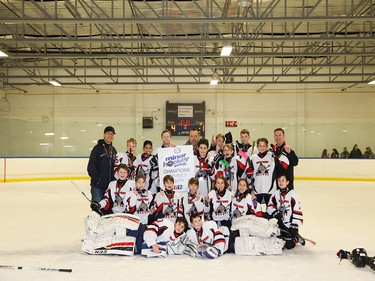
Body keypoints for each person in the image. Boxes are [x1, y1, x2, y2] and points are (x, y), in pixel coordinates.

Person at [266, 174, 303, 250]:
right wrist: (275, 213)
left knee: (289, 245)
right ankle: (286, 235)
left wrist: (294, 226)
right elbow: (269, 207)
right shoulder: (275, 194)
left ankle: (296, 237)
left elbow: (297, 210)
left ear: (287, 182)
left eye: (283, 180)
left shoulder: (293, 195)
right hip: (279, 224)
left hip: (290, 226)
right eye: (279, 180)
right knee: (275, 241)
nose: (280, 182)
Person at [248, 138, 289, 206]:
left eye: (264, 146)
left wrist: (278, 154)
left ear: (267, 146)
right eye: (260, 146)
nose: (262, 148)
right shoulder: (252, 158)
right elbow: (249, 176)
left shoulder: (272, 155)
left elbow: (286, 164)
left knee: (270, 212)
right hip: (256, 190)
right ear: (257, 147)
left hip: (270, 190)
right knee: (255, 211)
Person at [228, 178, 262, 253]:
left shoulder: (249, 197)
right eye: (240, 185)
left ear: (246, 188)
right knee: (230, 248)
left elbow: (258, 211)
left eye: (244, 185)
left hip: (241, 227)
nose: (242, 187)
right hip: (233, 225)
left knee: (232, 248)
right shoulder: (233, 195)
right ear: (237, 186)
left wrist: (255, 203)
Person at [87, 125, 117, 203]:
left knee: (108, 211)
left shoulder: (113, 150)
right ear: (104, 135)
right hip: (98, 187)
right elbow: (91, 167)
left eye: (112, 134)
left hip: (109, 187)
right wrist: (98, 181)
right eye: (108, 133)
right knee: (97, 211)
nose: (110, 135)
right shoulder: (97, 149)